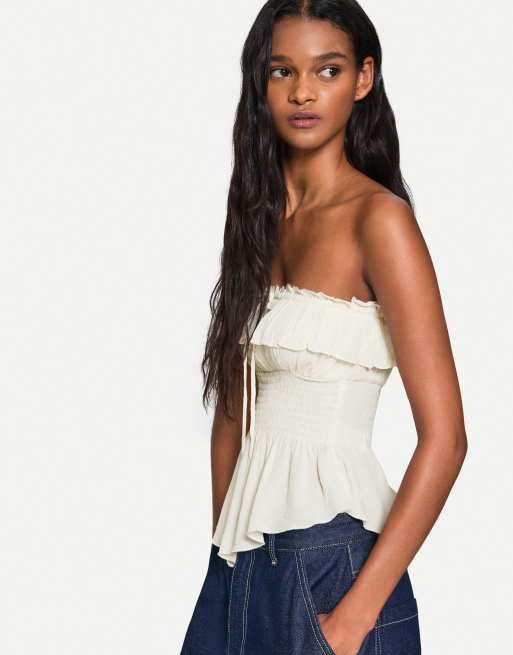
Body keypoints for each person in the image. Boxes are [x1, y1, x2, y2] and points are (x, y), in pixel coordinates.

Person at [180, 1, 467, 653]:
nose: (303, 92)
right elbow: (233, 413)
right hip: (239, 566)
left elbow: (446, 439)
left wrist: (350, 621)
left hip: (333, 566)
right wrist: (226, 550)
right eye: (282, 71)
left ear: (363, 78)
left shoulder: (379, 220)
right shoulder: (257, 218)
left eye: (327, 70)